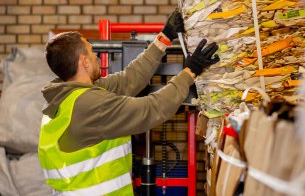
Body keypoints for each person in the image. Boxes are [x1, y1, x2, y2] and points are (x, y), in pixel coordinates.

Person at [38, 10, 219, 196]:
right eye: (92, 53)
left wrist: (165, 37)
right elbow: (151, 109)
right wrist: (190, 72)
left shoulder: (66, 97)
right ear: (84, 61)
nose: (97, 57)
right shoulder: (88, 105)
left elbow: (129, 79)